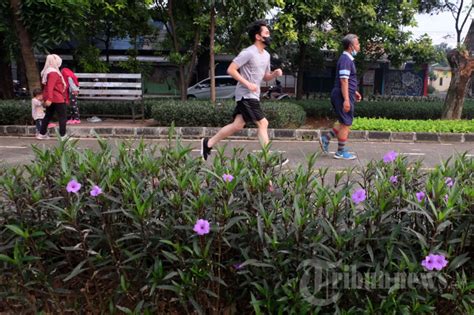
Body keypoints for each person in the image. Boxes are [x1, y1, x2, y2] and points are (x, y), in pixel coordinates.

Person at [200, 20, 287, 165]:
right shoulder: (248, 52)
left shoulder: (266, 55)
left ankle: (208, 143)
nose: (269, 35)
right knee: (263, 123)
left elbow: (265, 76)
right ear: (258, 36)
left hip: (253, 94)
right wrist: (247, 83)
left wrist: (274, 74)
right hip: (245, 94)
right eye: (266, 32)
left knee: (238, 125)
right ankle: (269, 160)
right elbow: (231, 69)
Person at [319, 34, 362, 160]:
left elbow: (347, 80)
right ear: (351, 46)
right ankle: (340, 152)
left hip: (345, 94)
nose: (359, 47)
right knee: (346, 123)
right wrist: (347, 99)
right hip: (342, 96)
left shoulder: (347, 59)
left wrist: (354, 92)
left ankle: (326, 139)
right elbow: (343, 81)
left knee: (345, 122)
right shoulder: (345, 60)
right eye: (357, 44)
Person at [37, 54, 67, 140]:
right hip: (57, 98)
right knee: (62, 116)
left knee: (48, 116)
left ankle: (42, 134)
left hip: (52, 97)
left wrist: (47, 98)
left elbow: (47, 87)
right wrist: (49, 98)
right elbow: (50, 86)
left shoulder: (47, 71)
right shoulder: (53, 72)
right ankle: (63, 135)